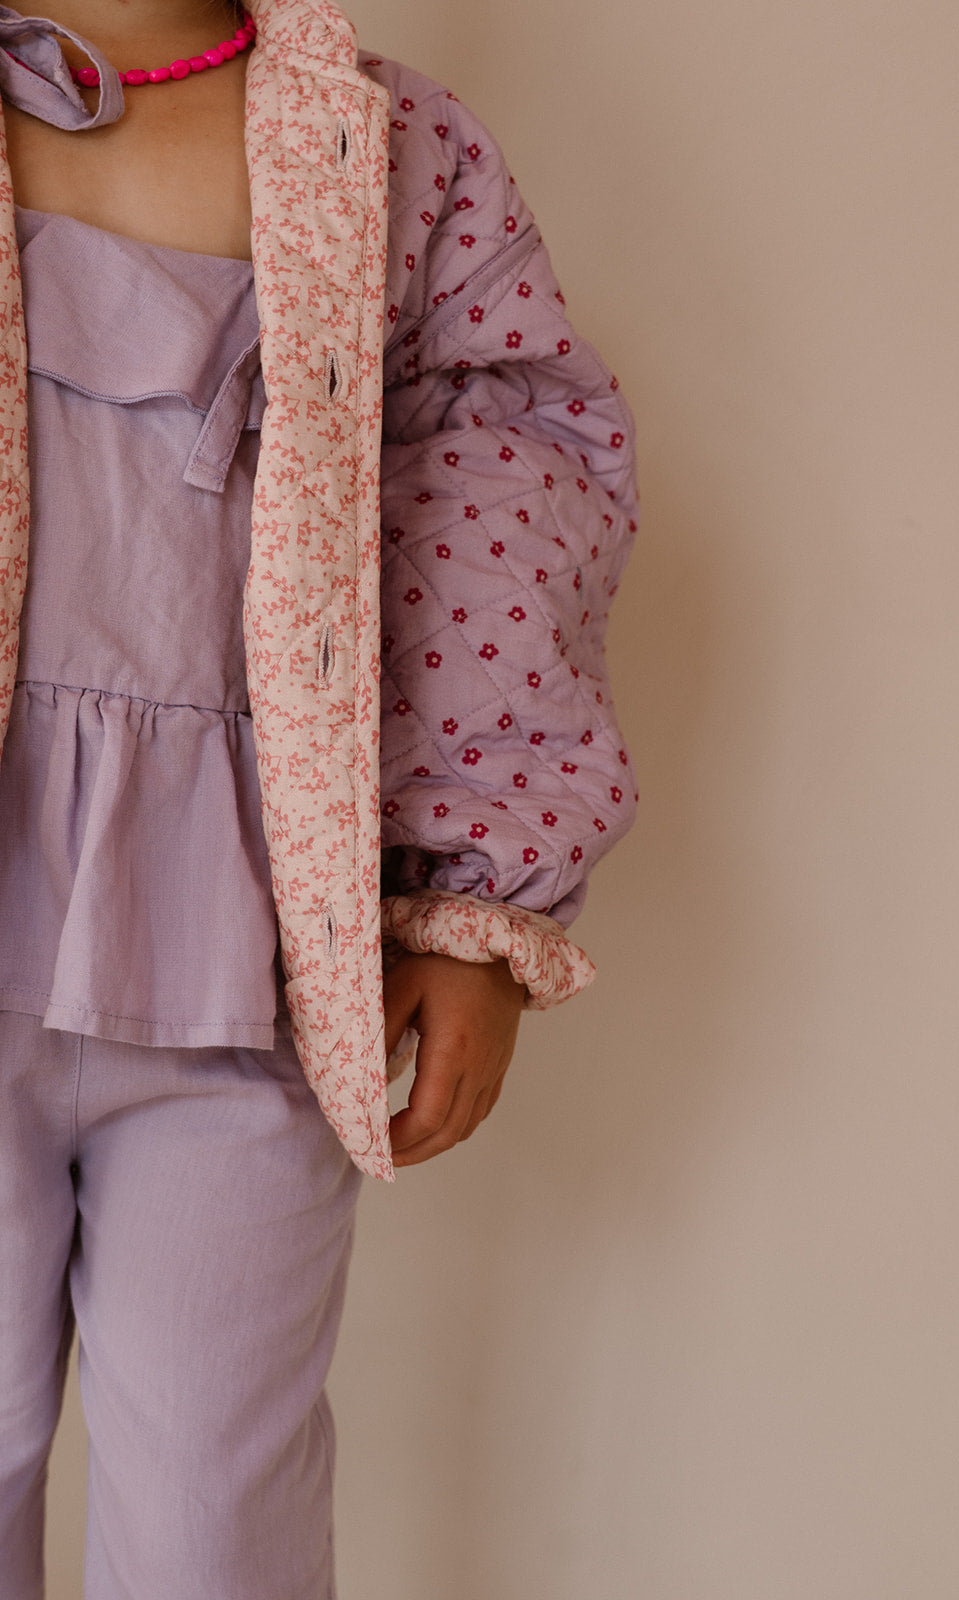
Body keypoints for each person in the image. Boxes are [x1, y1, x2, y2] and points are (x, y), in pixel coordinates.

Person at [0, 0, 638, 1592]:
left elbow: (499, 498)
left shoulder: (388, 148)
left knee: (217, 1510)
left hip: (256, 950)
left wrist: (475, 903)